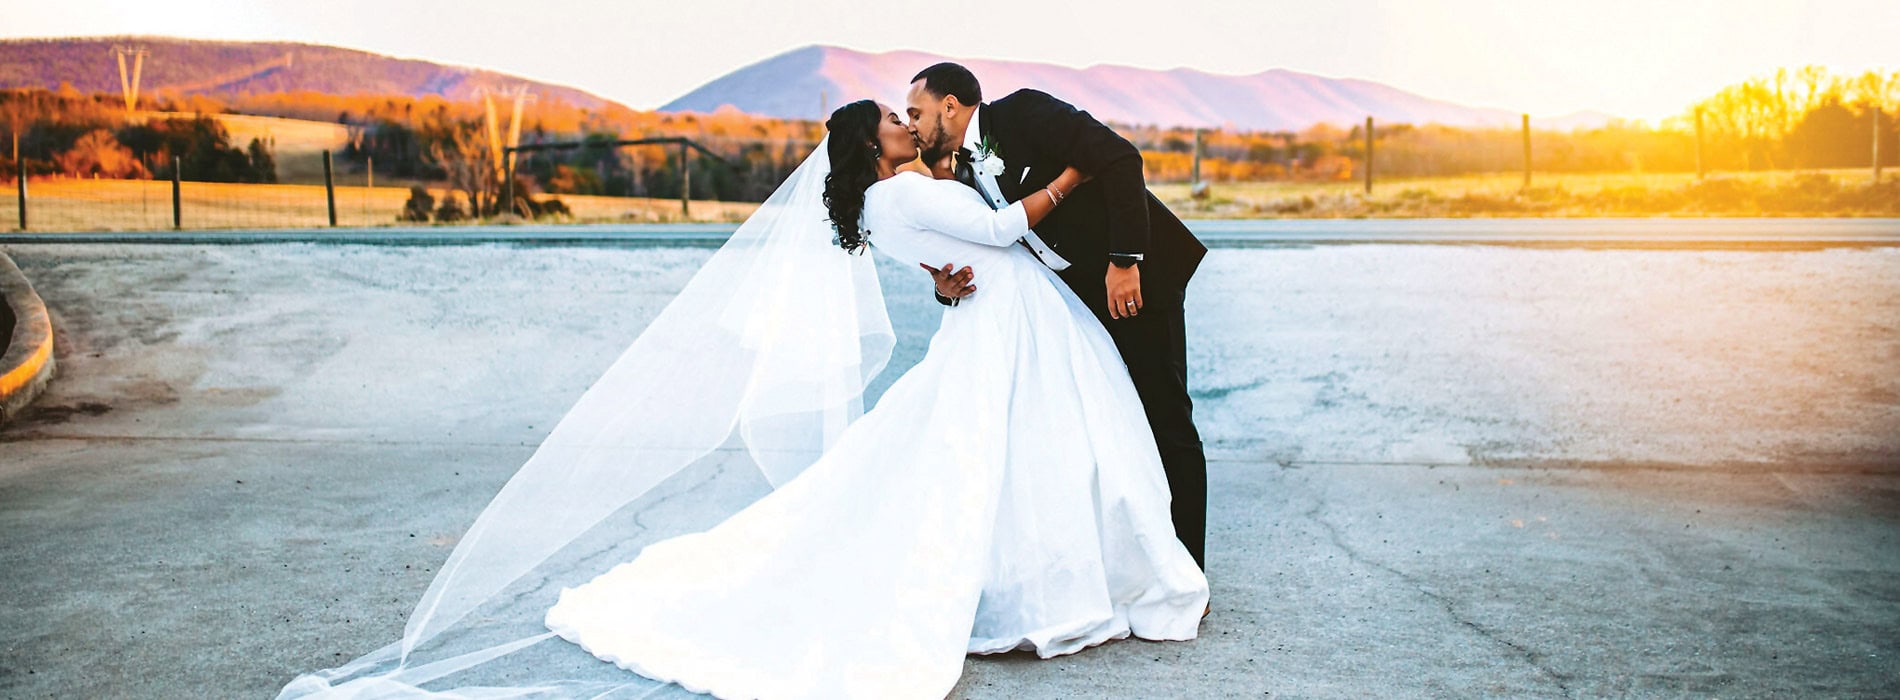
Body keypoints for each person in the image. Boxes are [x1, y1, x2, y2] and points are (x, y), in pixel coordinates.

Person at [279, 100, 1204, 700]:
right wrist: (1068, 181)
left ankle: (1045, 576)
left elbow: (957, 248)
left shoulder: (906, 191)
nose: (905, 120)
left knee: (991, 452)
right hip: (1004, 327)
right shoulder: (900, 195)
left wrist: (947, 275)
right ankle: (1033, 587)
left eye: (911, 109)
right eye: (894, 117)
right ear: (867, 145)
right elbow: (997, 228)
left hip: (1009, 324)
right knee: (970, 457)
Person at [906, 63, 1211, 571]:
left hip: (1137, 285)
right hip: (1075, 304)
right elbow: (983, 244)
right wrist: (945, 288)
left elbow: (1119, 158)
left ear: (951, 106)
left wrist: (1125, 260)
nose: (912, 124)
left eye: (917, 112)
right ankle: (1131, 561)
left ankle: (1188, 571)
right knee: (1108, 427)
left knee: (1165, 417)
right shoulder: (959, 171)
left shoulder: (1024, 113)